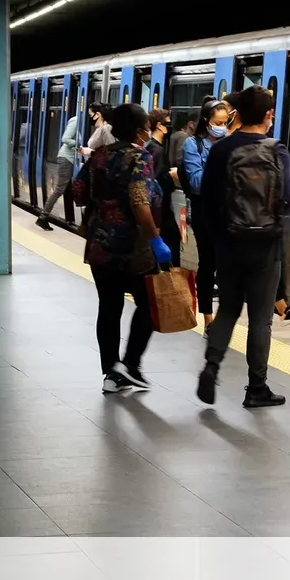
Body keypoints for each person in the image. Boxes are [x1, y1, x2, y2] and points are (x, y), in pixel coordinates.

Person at [194, 86, 290, 408]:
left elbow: (206, 199)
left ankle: (211, 366)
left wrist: (219, 237)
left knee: (229, 309)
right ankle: (256, 388)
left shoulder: (222, 150)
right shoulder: (277, 150)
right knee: (261, 318)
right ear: (268, 115)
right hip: (265, 246)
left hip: (229, 243)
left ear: (238, 114)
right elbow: (288, 199)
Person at [71, 103, 172, 394]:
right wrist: (155, 238)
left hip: (100, 244)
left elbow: (77, 193)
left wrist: (104, 202)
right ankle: (129, 365)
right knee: (150, 304)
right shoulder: (140, 157)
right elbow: (140, 201)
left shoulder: (99, 156)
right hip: (132, 247)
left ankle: (110, 373)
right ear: (141, 130)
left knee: (110, 307)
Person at [182, 97, 230, 330]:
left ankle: (223, 316)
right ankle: (207, 318)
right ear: (206, 121)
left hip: (227, 211)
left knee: (227, 264)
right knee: (208, 263)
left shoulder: (230, 143)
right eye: (217, 122)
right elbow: (196, 182)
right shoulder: (193, 145)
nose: (221, 126)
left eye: (225, 122)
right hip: (204, 211)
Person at [145, 107, 181, 265]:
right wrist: (171, 176)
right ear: (159, 125)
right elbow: (158, 181)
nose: (170, 126)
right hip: (162, 211)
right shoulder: (158, 151)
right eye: (168, 122)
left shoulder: (150, 147)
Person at [36, 115, 78, 231]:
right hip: (66, 159)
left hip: (70, 159)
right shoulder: (76, 120)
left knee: (66, 189)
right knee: (59, 190)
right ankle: (43, 217)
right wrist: (79, 143)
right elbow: (65, 139)